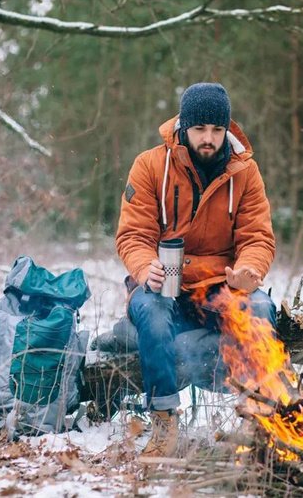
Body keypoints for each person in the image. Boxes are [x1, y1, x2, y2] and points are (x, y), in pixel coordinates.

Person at [115, 82, 276, 457]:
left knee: (262, 309)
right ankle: (164, 420)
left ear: (226, 129)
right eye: (200, 129)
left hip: (221, 284)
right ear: (184, 126)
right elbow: (133, 234)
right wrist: (144, 269)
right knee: (151, 313)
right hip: (164, 281)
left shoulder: (245, 172)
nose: (209, 138)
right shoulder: (151, 165)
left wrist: (249, 271)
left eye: (217, 130)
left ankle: (261, 417)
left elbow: (258, 237)